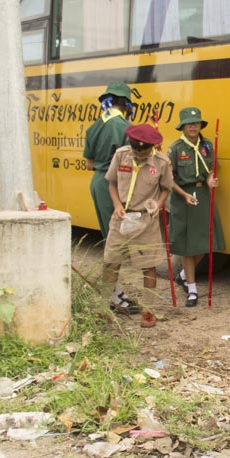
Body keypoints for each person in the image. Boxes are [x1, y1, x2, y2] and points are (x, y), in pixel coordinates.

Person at [102, 123, 173, 328]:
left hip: (145, 220)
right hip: (121, 218)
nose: (139, 156)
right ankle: (103, 308)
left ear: (151, 148)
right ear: (130, 144)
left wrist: (158, 204)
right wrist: (117, 205)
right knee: (111, 262)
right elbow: (112, 183)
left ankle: (149, 310)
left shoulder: (162, 162)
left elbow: (165, 188)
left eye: (143, 153)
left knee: (149, 266)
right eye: (136, 151)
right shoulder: (121, 155)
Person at [167, 106, 225, 307]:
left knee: (205, 242)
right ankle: (191, 290)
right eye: (189, 124)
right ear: (182, 127)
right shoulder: (175, 149)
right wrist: (184, 195)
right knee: (187, 247)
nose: (193, 127)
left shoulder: (207, 145)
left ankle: (183, 275)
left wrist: (210, 180)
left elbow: (211, 169)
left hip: (202, 195)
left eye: (196, 123)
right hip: (182, 197)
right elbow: (168, 179)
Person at [83, 82, 134, 239]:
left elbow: (88, 164)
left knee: (108, 232)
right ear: (126, 104)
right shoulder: (125, 126)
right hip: (115, 183)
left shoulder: (95, 126)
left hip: (98, 182)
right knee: (118, 235)